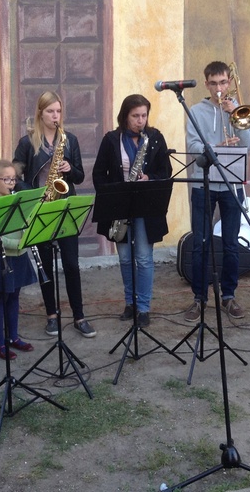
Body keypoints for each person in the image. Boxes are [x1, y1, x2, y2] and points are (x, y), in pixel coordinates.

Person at [13, 91, 96, 338]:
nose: (55, 116)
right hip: (41, 209)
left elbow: (80, 176)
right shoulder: (27, 142)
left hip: (64, 207)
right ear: (40, 113)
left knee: (71, 264)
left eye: (58, 111)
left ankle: (79, 316)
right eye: (50, 111)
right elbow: (16, 178)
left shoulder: (69, 139)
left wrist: (70, 168)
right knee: (45, 266)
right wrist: (35, 196)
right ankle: (51, 315)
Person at [184, 61, 250, 322]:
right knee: (201, 242)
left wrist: (235, 114)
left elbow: (247, 144)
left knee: (231, 243)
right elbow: (192, 146)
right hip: (204, 184)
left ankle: (229, 296)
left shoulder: (237, 108)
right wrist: (217, 146)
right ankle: (199, 298)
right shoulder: (195, 111)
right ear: (206, 84)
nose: (219, 88)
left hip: (231, 184)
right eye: (213, 83)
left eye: (223, 82)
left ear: (230, 82)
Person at [92, 94, 171, 327]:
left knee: (144, 259)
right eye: (135, 116)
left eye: (144, 115)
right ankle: (130, 303)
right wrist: (111, 197)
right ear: (125, 116)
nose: (140, 121)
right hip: (119, 207)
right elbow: (99, 174)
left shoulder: (155, 138)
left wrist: (149, 178)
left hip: (147, 207)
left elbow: (165, 171)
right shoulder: (110, 139)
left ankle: (144, 307)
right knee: (125, 259)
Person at [0, 159, 37, 359]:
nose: (10, 183)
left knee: (15, 296)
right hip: (0, 257)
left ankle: (13, 336)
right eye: (5, 179)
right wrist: (19, 244)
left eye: (13, 179)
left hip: (19, 256)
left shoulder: (18, 199)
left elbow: (26, 224)